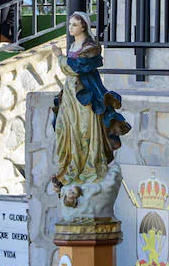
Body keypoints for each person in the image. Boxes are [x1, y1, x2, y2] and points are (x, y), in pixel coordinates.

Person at [49, 12, 131, 190]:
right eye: (70, 24)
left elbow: (77, 68)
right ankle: (70, 167)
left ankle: (87, 166)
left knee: (85, 130)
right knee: (65, 129)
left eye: (74, 25)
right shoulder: (73, 45)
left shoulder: (91, 47)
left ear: (83, 26)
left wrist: (60, 57)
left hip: (85, 96)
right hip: (70, 95)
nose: (71, 28)